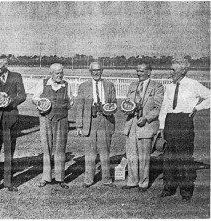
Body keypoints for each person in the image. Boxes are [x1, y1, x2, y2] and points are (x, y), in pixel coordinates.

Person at [158, 58, 210, 201]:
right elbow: (164, 107)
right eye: (170, 69)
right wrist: (162, 126)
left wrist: (197, 108)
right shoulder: (169, 86)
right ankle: (168, 188)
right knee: (169, 158)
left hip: (184, 122)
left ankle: (186, 190)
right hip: (170, 121)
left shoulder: (193, 84)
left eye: (173, 70)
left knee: (184, 157)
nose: (170, 72)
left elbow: (209, 96)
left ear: (183, 71)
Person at [0, 54, 26, 193]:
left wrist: (12, 101)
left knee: (9, 153)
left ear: (6, 65)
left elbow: (22, 95)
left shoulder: (16, 76)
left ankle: (8, 182)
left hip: (10, 120)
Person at [122, 63, 164, 192]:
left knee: (144, 156)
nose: (138, 73)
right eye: (137, 71)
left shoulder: (157, 86)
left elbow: (158, 108)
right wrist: (126, 109)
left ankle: (143, 183)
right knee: (131, 155)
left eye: (141, 71)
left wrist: (146, 118)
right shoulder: (133, 85)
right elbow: (128, 103)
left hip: (146, 124)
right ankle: (132, 181)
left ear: (149, 72)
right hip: (132, 124)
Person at [76, 62, 117, 188]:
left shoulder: (109, 85)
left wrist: (110, 108)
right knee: (90, 152)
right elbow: (79, 107)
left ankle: (106, 179)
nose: (96, 72)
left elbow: (114, 103)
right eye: (93, 70)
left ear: (102, 71)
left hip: (105, 120)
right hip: (90, 121)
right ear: (90, 71)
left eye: (98, 70)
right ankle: (88, 179)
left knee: (105, 151)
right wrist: (79, 125)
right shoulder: (83, 86)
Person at [32, 63, 73, 189]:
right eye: (57, 73)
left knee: (60, 149)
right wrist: (41, 103)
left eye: (61, 72)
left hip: (62, 119)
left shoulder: (66, 85)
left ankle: (60, 178)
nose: (60, 75)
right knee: (47, 148)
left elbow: (70, 102)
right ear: (51, 73)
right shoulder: (43, 83)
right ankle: (46, 177)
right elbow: (34, 98)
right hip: (46, 118)